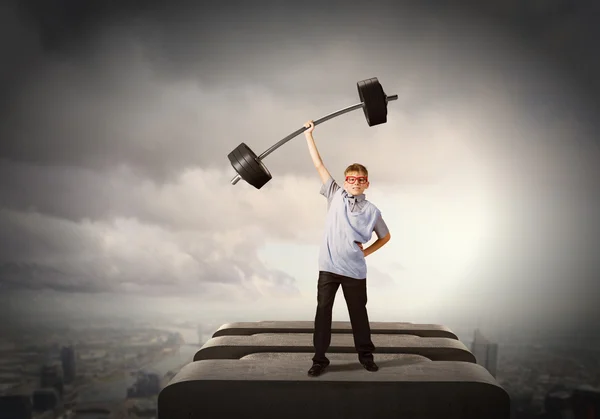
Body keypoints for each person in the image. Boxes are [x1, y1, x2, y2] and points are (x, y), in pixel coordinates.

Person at [304, 120, 391, 377]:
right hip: (328, 268)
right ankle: (319, 359)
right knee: (323, 313)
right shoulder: (335, 195)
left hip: (355, 270)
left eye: (360, 179)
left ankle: (366, 356)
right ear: (345, 181)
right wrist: (309, 135)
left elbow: (385, 237)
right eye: (351, 179)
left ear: (367, 184)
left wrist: (365, 252)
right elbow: (318, 164)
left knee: (358, 315)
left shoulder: (372, 211)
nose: (355, 182)